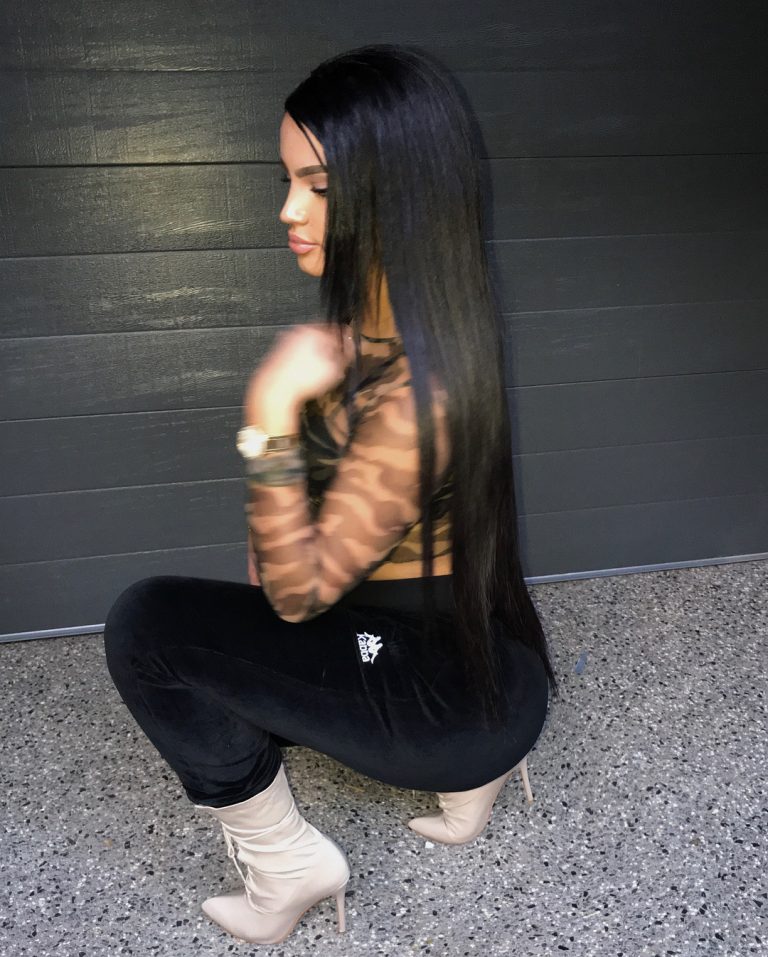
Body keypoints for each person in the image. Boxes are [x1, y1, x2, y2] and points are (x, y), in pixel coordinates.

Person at [103, 43, 559, 947]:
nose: (288, 209)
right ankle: (475, 781)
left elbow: (289, 594)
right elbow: (292, 562)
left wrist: (270, 415)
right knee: (234, 635)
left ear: (400, 193)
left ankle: (286, 865)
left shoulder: (413, 390)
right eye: (288, 181)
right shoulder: (418, 327)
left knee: (147, 627)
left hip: (441, 704)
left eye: (317, 185)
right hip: (476, 666)